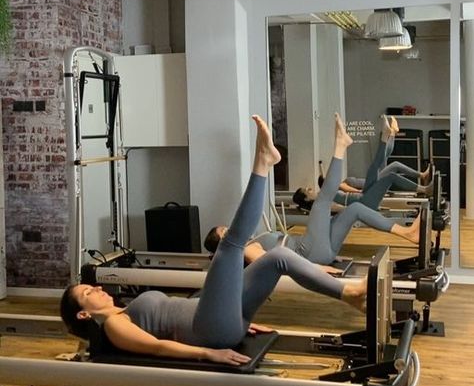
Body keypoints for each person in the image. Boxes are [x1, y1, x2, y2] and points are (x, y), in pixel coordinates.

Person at [60, 115, 367, 367]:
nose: (98, 288)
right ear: (84, 314)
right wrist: (208, 353)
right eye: (88, 292)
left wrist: (229, 312)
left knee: (276, 259)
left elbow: (182, 309)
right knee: (231, 245)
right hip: (209, 333)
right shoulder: (114, 325)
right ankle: (262, 161)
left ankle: (348, 293)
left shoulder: (126, 312)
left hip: (221, 320)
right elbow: (157, 348)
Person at [205, 114, 421, 267]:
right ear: (223, 243)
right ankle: (340, 145)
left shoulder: (249, 241)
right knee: (323, 200)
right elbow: (280, 263)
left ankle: (407, 233)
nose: (228, 228)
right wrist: (317, 269)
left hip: (319, 250)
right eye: (224, 231)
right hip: (307, 252)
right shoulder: (246, 249)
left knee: (354, 209)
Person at [294, 116, 432, 212]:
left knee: (387, 171)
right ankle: (387, 136)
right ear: (306, 198)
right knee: (383, 167)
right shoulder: (320, 204)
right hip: (363, 201)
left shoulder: (323, 196)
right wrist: (358, 212)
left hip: (363, 197)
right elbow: (338, 209)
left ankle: (424, 189)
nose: (310, 189)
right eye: (307, 190)